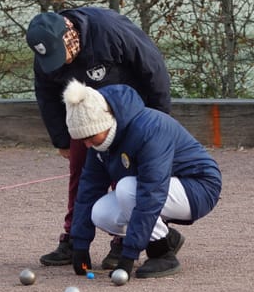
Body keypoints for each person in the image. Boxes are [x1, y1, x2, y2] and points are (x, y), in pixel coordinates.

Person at [26, 7, 172, 270]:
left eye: (60, 55)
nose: (60, 64)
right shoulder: (45, 55)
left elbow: (154, 70)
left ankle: (123, 239)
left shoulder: (111, 31)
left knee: (125, 177)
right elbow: (46, 95)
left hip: (127, 115)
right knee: (80, 175)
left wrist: (158, 121)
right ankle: (74, 238)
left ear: (69, 35)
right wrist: (61, 139)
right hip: (84, 118)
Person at [62, 79, 222, 279]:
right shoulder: (100, 143)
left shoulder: (149, 129)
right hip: (162, 188)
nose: (87, 145)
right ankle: (166, 236)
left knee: (127, 189)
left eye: (90, 136)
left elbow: (151, 192)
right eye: (82, 139)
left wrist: (129, 256)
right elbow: (89, 190)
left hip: (199, 187)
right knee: (101, 212)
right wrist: (80, 245)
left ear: (105, 123)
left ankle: (161, 252)